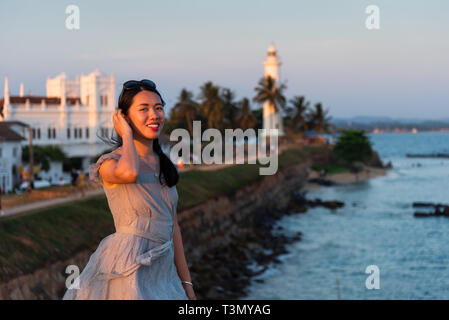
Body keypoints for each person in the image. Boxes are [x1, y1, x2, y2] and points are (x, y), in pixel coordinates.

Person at [62, 79, 195, 300]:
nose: (154, 115)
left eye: (158, 108)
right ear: (123, 117)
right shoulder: (109, 164)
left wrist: (187, 286)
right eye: (143, 109)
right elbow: (129, 174)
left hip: (163, 274)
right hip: (126, 270)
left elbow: (173, 227)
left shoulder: (163, 164)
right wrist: (126, 135)